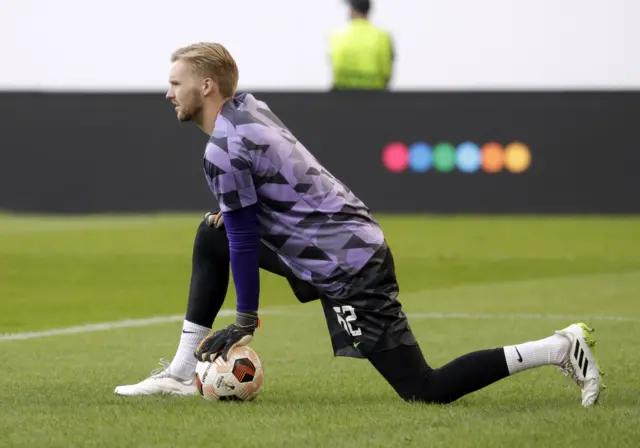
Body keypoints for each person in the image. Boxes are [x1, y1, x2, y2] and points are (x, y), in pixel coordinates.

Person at [115, 42, 603, 407]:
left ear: (206, 86)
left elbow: (244, 240)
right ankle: (182, 372)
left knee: (423, 389)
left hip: (347, 264)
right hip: (335, 246)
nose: (167, 92)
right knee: (212, 232)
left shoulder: (222, 149)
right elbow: (259, 200)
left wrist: (246, 319)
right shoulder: (247, 108)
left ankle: (559, 347)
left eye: (175, 82)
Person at [329, 0, 394, 90]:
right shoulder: (382, 36)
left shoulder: (337, 36)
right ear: (368, 11)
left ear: (351, 11)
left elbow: (336, 68)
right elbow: (386, 72)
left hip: (345, 95)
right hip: (375, 94)